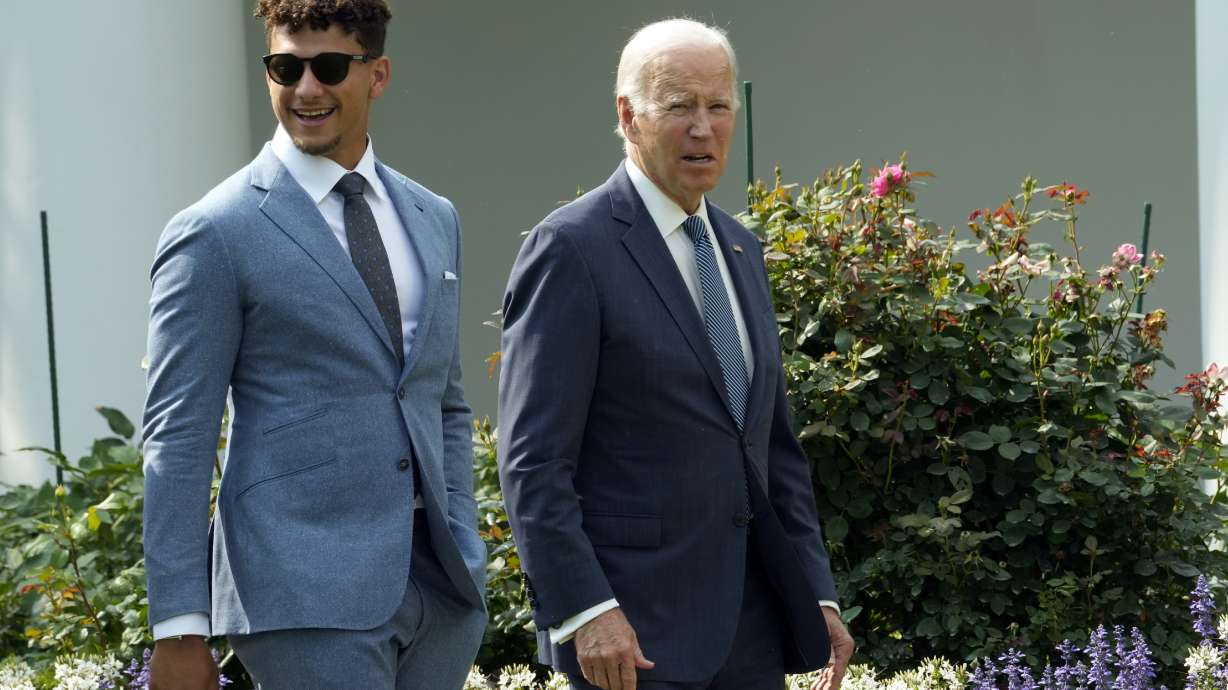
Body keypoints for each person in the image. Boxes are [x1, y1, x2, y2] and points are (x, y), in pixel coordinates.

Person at [497, 18, 855, 690]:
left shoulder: (741, 251)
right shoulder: (571, 250)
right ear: (628, 117)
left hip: (751, 635)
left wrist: (816, 593)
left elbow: (773, 449)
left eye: (719, 107)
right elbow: (533, 461)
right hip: (632, 640)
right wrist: (586, 611)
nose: (704, 128)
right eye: (680, 106)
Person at [141, 2, 485, 688]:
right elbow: (178, 435)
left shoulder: (433, 217)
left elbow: (441, 400)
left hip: (440, 592)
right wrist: (179, 625)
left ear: (377, 74)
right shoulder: (214, 232)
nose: (305, 89)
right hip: (299, 594)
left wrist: (465, 544)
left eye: (329, 67)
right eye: (284, 67)